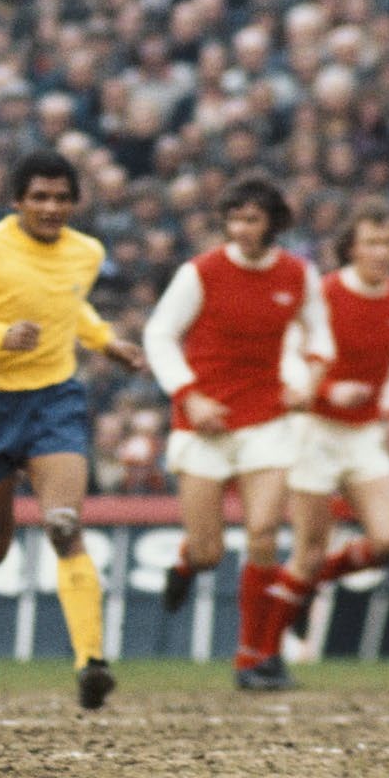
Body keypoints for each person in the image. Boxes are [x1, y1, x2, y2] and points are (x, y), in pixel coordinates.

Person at [0, 150, 146, 710]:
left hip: (53, 403)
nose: (51, 207)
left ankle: (91, 662)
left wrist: (104, 340)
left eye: (62, 197)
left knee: (64, 525)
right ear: (16, 201)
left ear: (75, 202)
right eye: (39, 197)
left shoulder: (86, 252)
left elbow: (70, 305)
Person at [142, 175, 333, 691]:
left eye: (252, 219)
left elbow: (322, 337)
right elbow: (158, 334)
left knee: (264, 535)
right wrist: (189, 393)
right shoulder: (200, 272)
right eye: (234, 219)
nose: (241, 229)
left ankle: (254, 658)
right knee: (208, 551)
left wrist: (310, 382)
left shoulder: (298, 274)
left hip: (266, 421)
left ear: (273, 223)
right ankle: (185, 565)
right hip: (204, 424)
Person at [270, 199, 389, 644]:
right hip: (314, 430)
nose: (381, 252)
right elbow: (290, 355)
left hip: (364, 434)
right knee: (307, 552)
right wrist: (327, 390)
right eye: (371, 242)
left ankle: (312, 586)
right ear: (351, 247)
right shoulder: (326, 293)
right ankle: (262, 653)